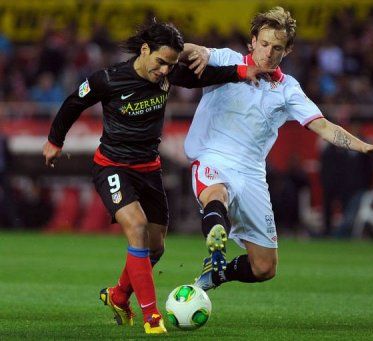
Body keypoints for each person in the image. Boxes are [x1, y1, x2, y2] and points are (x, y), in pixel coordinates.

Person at [42, 19, 273, 334]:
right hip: (113, 166)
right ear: (145, 49)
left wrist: (242, 72)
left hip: (149, 169)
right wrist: (55, 141)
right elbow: (73, 102)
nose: (166, 70)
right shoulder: (109, 79)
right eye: (161, 62)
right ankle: (151, 317)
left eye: (171, 64)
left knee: (156, 247)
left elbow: (199, 78)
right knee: (137, 228)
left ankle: (119, 295)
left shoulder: (167, 74)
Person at [182, 7, 373, 292]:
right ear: (252, 41)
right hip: (213, 159)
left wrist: (363, 146)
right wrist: (198, 52)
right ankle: (216, 243)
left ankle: (217, 274)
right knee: (217, 193)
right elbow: (185, 50)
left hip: (253, 175)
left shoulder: (288, 89)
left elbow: (324, 126)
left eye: (277, 48)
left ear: (287, 50)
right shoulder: (226, 60)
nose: (268, 53)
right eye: (264, 44)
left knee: (265, 267)